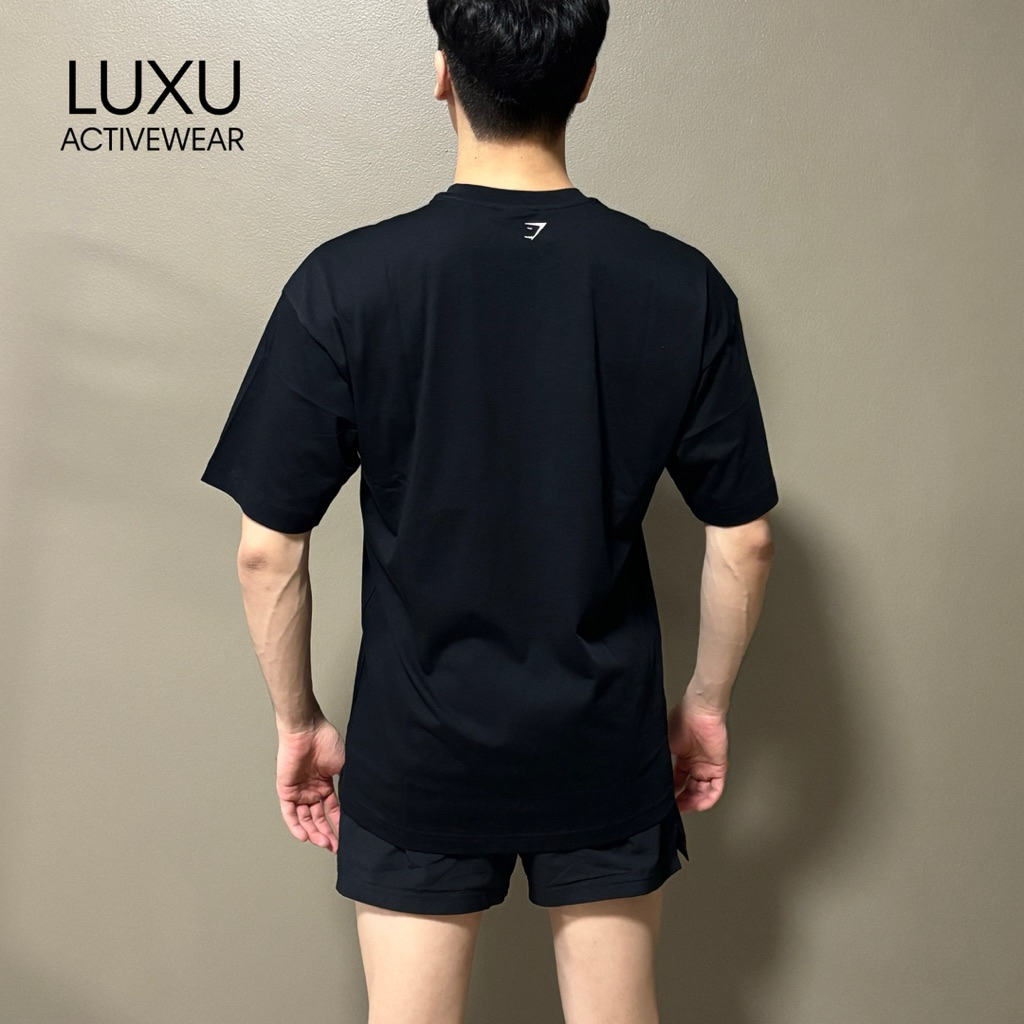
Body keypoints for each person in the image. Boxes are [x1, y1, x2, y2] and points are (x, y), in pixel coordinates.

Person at [200, 1, 778, 1020]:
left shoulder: (345, 283)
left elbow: (266, 552)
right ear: (586, 79)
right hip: (602, 745)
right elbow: (745, 538)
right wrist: (704, 705)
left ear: (442, 72)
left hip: (417, 747)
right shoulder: (680, 286)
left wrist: (298, 722)